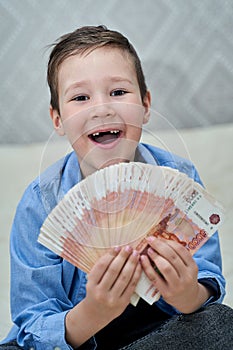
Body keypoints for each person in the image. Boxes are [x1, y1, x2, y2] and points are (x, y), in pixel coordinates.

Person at [1, 25, 232, 350]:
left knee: (220, 321)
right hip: (78, 339)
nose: (101, 108)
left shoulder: (179, 176)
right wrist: (94, 311)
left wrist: (186, 293)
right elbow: (34, 322)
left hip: (159, 334)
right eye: (81, 98)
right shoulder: (40, 202)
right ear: (58, 120)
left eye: (118, 92)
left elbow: (208, 282)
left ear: (146, 105)